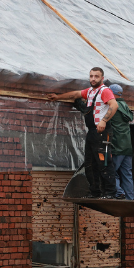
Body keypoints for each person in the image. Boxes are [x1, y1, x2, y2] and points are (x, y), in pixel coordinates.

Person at [48, 67, 116, 198]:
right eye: (91, 76)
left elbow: (114, 105)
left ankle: (110, 193)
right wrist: (57, 97)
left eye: (96, 76)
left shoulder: (105, 91)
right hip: (92, 132)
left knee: (104, 162)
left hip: (102, 132)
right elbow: (74, 95)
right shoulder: (90, 92)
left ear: (102, 78)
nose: (93, 79)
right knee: (90, 163)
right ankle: (95, 192)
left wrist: (104, 120)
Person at [106, 84, 134, 200]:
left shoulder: (113, 107)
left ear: (111, 93)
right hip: (127, 147)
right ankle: (129, 199)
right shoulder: (125, 106)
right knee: (127, 174)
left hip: (117, 146)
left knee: (111, 171)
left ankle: (119, 193)